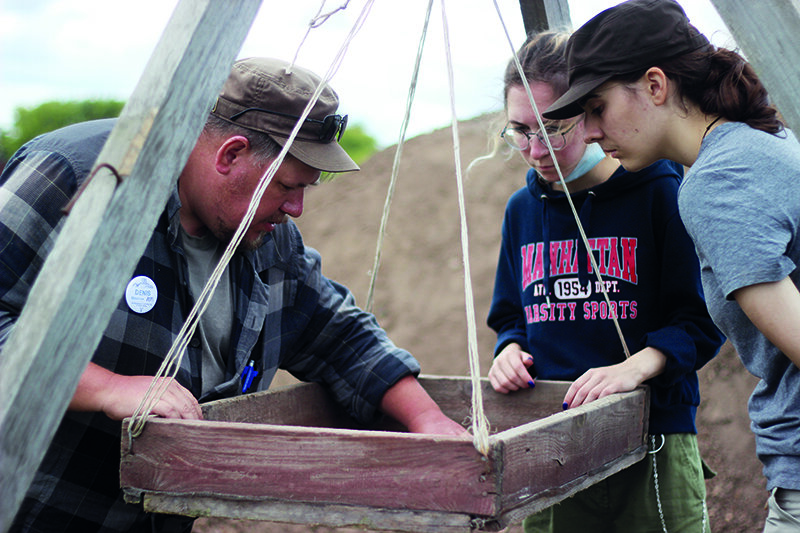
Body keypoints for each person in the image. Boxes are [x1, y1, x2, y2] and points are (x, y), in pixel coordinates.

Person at [4, 57, 467, 533]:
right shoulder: (77, 179)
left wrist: (428, 420)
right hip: (34, 508)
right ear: (231, 154)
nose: (297, 209)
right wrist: (106, 386)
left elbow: (340, 337)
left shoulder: (268, 237)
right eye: (287, 186)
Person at [542, 1, 800, 531]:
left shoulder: (714, 184)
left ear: (656, 85)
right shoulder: (763, 144)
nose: (587, 131)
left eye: (597, 106)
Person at [485, 30, 725, 532]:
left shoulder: (662, 191)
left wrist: (634, 368)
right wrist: (509, 350)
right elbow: (513, 315)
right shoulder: (522, 210)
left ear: (591, 113)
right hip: (549, 444)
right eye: (520, 131)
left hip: (652, 437)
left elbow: (702, 321)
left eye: (552, 127)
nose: (534, 149)